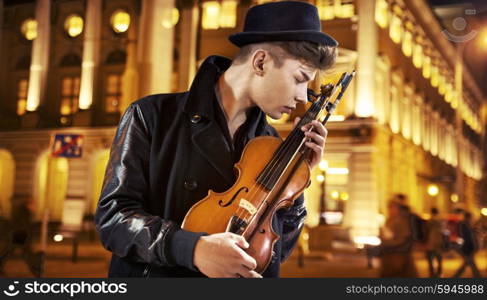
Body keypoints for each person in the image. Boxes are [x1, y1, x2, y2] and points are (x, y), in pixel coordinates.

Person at [95, 1, 337, 278]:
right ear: (260, 62)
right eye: (300, 78)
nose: (303, 97)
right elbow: (113, 220)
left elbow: (274, 253)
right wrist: (192, 249)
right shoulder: (151, 116)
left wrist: (295, 181)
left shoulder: (271, 145)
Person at [379, 199, 418, 277]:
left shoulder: (402, 220)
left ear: (398, 209)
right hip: (389, 255)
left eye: (392, 207)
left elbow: (403, 238)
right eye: (389, 207)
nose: (389, 210)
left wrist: (388, 242)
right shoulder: (389, 219)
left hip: (399, 255)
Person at [453, 212, 481, 277]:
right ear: (468, 217)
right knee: (470, 263)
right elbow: (466, 237)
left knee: (468, 263)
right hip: (467, 248)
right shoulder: (464, 225)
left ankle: (477, 276)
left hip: (468, 247)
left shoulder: (466, 224)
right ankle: (477, 276)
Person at [425, 207, 444, 277]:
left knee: (430, 258)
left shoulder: (431, 221)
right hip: (439, 241)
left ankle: (432, 272)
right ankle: (439, 271)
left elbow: (426, 231)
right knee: (439, 257)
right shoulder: (441, 221)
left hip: (431, 241)